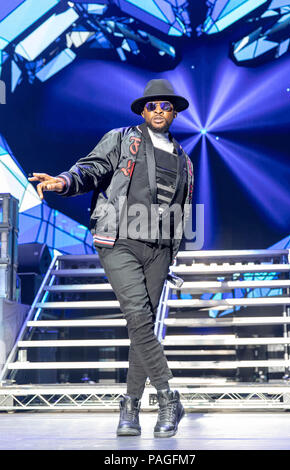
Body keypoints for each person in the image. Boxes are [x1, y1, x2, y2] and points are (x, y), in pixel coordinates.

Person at [29, 79, 194, 438]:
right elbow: (91, 169)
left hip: (159, 250)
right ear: (142, 111)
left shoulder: (184, 159)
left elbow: (181, 209)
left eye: (166, 106)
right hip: (117, 240)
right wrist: (63, 182)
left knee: (141, 329)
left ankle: (130, 408)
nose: (159, 111)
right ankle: (169, 398)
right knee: (137, 315)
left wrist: (174, 250)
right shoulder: (122, 139)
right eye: (152, 106)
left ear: (175, 112)